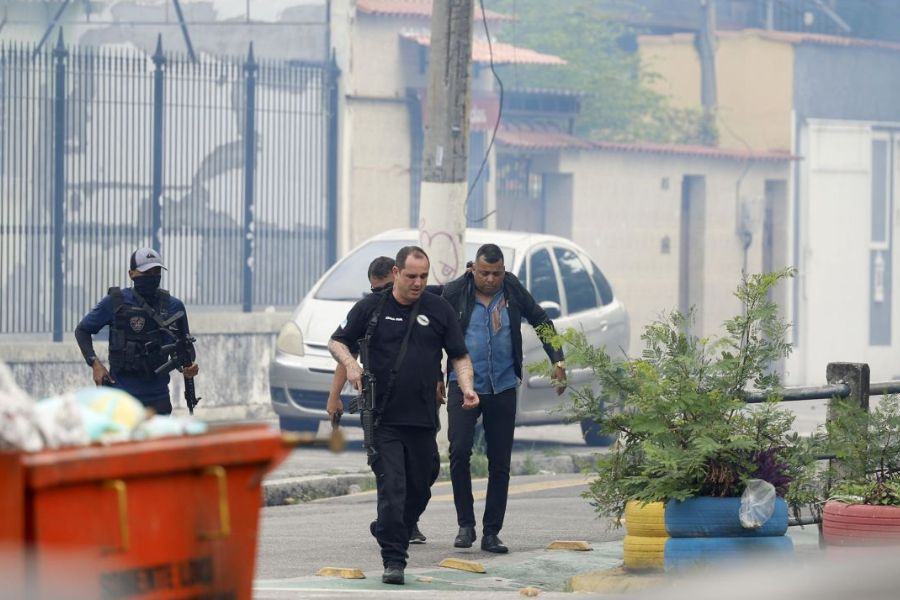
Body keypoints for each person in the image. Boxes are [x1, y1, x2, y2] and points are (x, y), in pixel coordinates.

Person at [328, 246, 479, 585]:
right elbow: (337, 341)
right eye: (411, 276)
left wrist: (467, 387)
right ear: (396, 273)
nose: (418, 283)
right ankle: (394, 559)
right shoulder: (372, 307)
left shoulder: (438, 309)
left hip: (423, 418)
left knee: (421, 487)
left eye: (423, 276)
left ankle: (389, 528)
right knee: (393, 488)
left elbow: (459, 356)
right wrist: (351, 364)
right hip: (384, 419)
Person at [442, 243, 566, 554]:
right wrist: (434, 376)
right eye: (484, 273)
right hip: (464, 384)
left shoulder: (512, 289)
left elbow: (541, 320)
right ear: (473, 269)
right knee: (459, 451)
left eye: (496, 273)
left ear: (504, 272)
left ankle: (491, 532)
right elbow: (434, 334)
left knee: (500, 462)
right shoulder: (455, 292)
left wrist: (558, 360)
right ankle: (465, 524)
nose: (490, 279)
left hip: (503, 385)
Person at [74, 247, 199, 414]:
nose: (152, 277)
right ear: (131, 274)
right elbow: (82, 330)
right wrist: (95, 364)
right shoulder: (115, 301)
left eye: (156, 272)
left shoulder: (174, 306)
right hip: (121, 399)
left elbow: (186, 349)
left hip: (158, 399)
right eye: (146, 272)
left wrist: (188, 367)